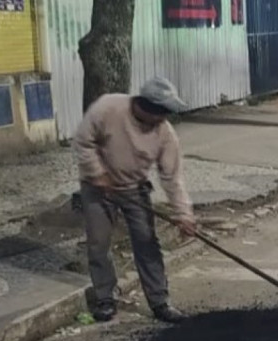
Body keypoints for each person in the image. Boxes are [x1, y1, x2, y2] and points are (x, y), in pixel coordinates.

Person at [75, 77, 198, 323]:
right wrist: (97, 173)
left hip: (134, 189)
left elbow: (172, 177)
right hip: (99, 190)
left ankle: (160, 301)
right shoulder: (108, 108)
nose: (164, 118)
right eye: (162, 112)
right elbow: (82, 142)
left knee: (147, 242)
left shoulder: (165, 133)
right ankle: (105, 298)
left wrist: (183, 214)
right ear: (147, 106)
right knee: (98, 244)